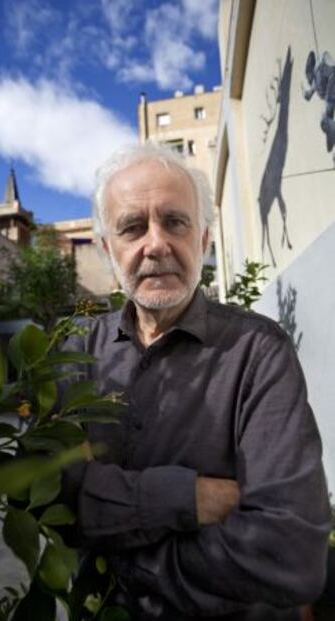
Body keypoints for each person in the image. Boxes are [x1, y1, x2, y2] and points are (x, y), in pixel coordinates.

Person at [62, 143, 330, 621]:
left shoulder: (258, 351)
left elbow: (290, 553)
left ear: (203, 239)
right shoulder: (75, 352)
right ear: (107, 248)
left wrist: (115, 550)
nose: (156, 243)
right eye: (132, 226)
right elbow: (44, 496)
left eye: (175, 221)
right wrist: (189, 498)